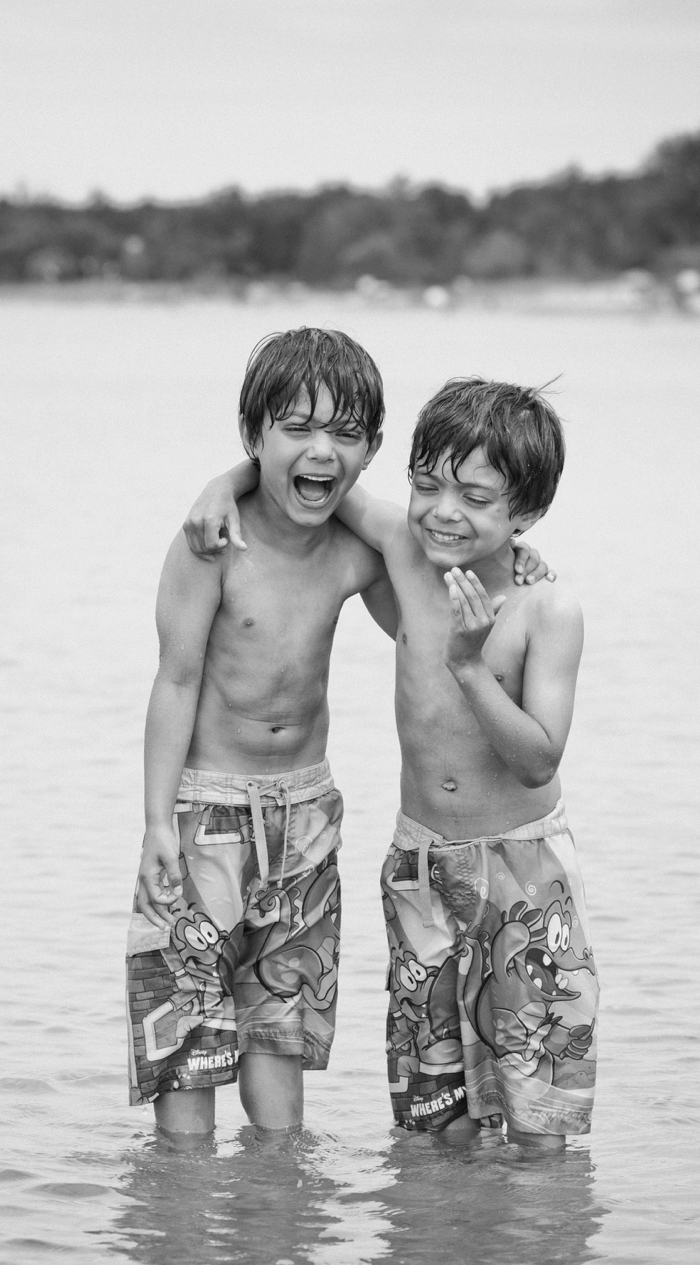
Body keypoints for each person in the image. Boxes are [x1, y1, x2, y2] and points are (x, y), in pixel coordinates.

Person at [128, 331, 551, 1137]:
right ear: (255, 436)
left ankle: (275, 1217)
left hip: (307, 814)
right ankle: (182, 1229)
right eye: (296, 428)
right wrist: (155, 821)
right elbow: (175, 679)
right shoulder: (212, 544)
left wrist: (517, 558)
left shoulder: (358, 552)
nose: (322, 450)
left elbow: (434, 598)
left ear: (371, 453)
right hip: (204, 811)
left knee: (281, 1032)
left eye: (346, 435)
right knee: (184, 1037)